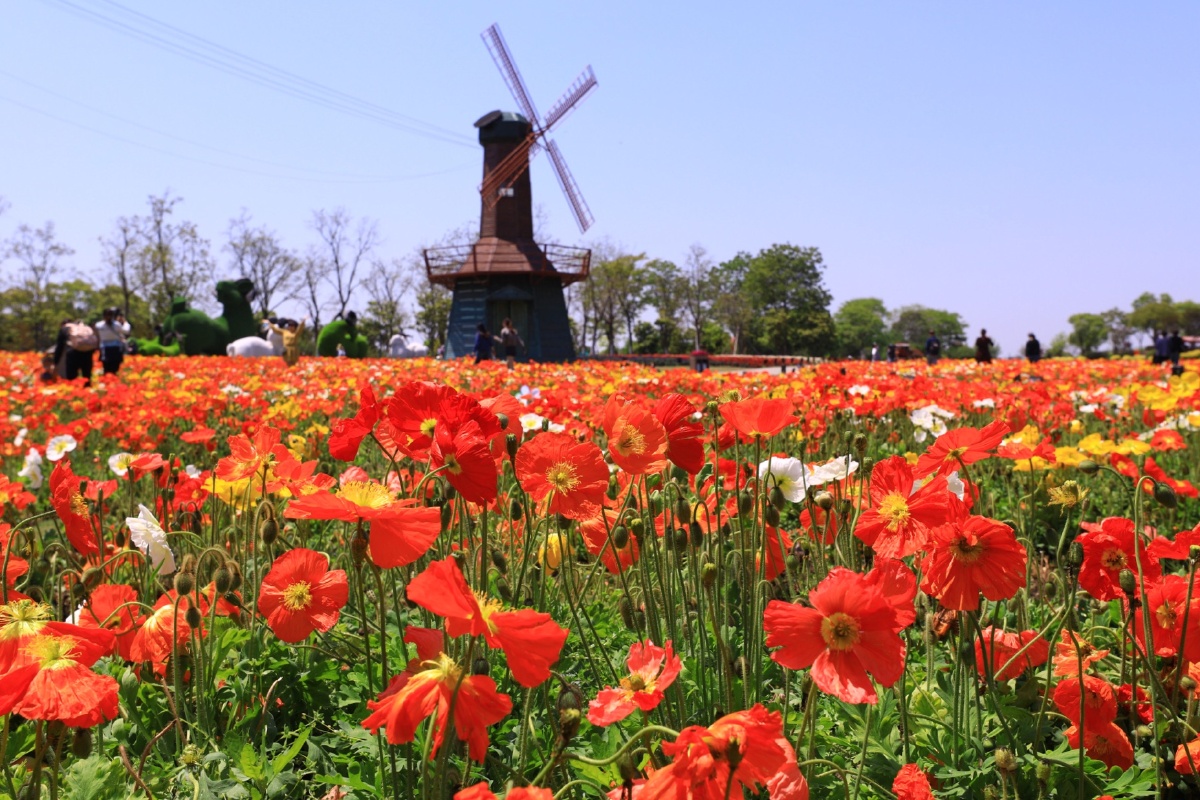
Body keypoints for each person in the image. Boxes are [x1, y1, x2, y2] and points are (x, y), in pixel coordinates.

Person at [53, 318, 98, 385]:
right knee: (87, 378)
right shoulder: (83, 328)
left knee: (72, 379)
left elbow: (59, 347)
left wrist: (55, 362)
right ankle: (87, 392)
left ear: (63, 324)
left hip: (73, 354)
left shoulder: (65, 329)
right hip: (87, 353)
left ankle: (75, 392)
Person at [94, 307, 128, 375]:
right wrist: (125, 323)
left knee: (111, 367)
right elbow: (126, 331)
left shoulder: (99, 325)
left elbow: (96, 335)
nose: (109, 317)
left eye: (110, 315)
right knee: (110, 367)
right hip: (110, 348)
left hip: (109, 348)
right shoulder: (116, 324)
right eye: (108, 315)